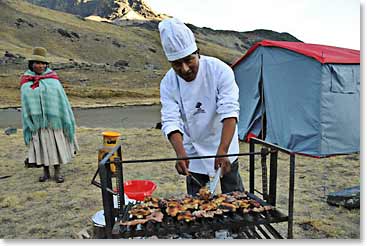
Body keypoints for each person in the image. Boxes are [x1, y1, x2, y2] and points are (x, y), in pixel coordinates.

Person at [158, 18, 244, 196]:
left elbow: (229, 110)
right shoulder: (168, 82)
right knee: (196, 202)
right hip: (193, 149)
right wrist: (180, 153)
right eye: (176, 64)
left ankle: (240, 225)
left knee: (235, 196)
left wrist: (223, 150)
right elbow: (170, 119)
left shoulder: (220, 70)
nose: (185, 69)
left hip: (224, 142)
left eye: (189, 60)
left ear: (198, 53)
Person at [20, 47, 79, 183]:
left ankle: (57, 172)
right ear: (32, 64)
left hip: (54, 123)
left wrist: (61, 118)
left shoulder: (53, 81)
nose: (40, 66)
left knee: (56, 148)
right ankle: (45, 172)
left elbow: (61, 102)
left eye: (43, 63)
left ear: (46, 65)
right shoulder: (26, 82)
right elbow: (26, 104)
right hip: (37, 124)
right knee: (42, 148)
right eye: (37, 63)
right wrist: (31, 120)